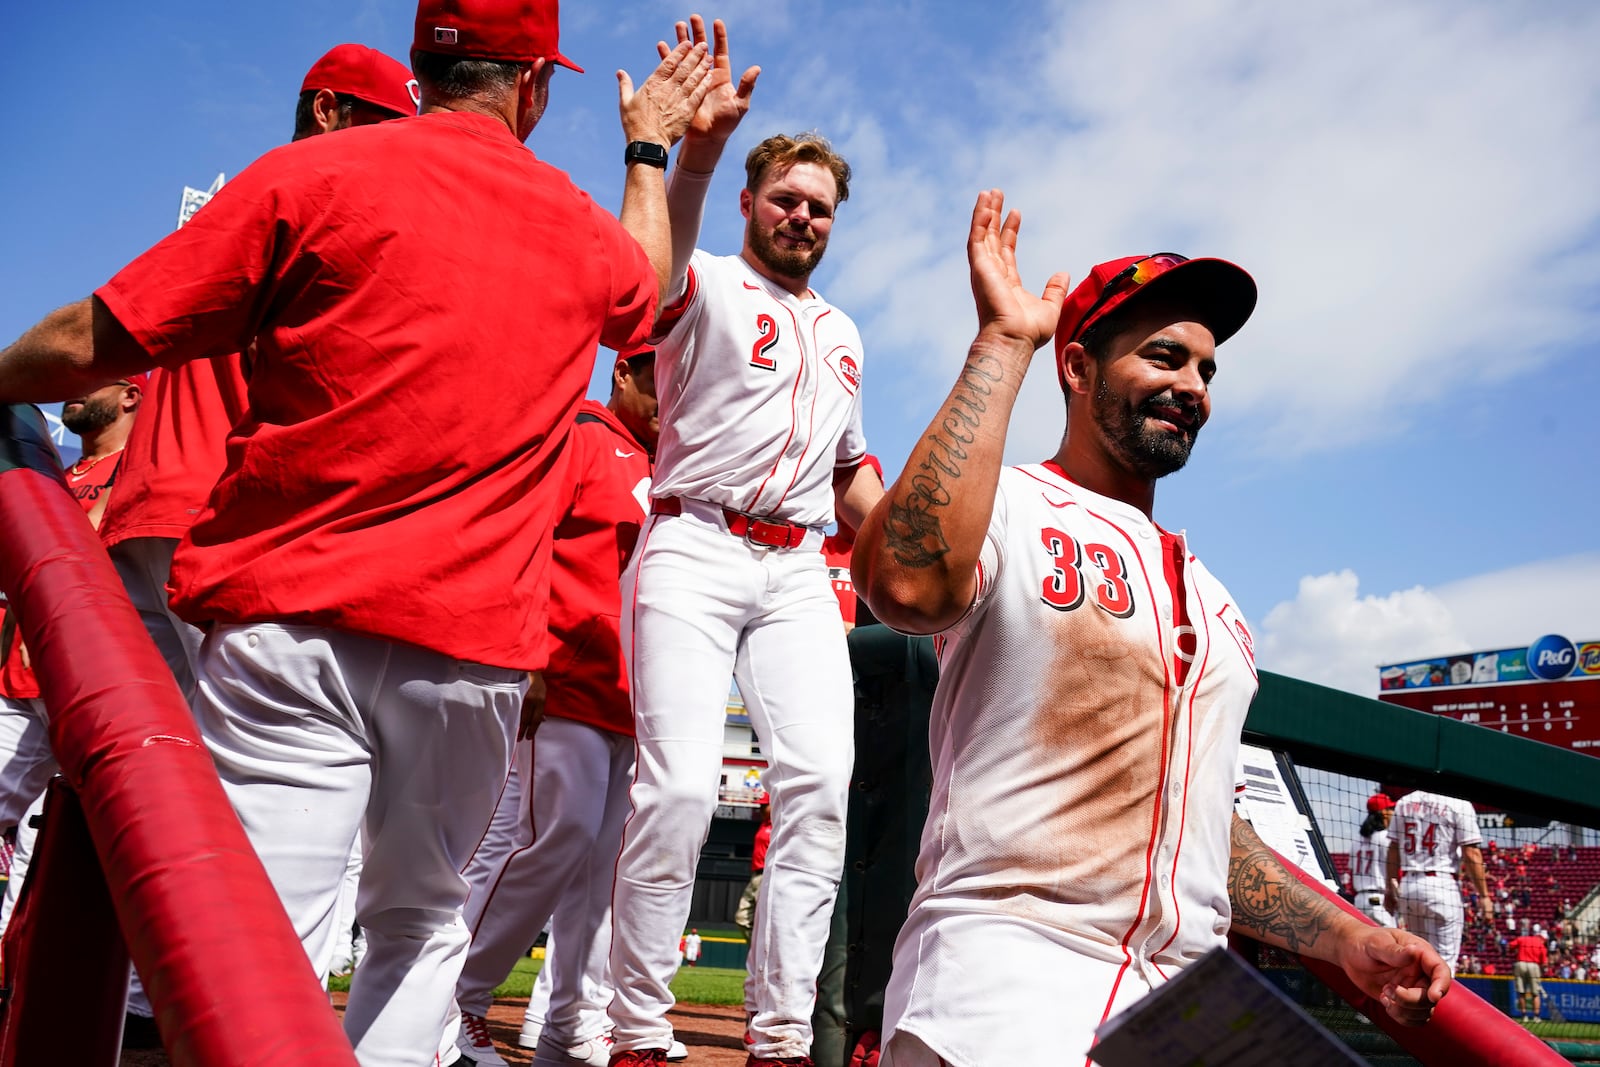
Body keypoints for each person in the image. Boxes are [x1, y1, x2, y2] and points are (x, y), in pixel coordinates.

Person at [0, 1, 714, 1059]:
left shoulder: (313, 174)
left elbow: (87, 342)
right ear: (534, 85)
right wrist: (648, 148)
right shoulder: (571, 220)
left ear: (423, 63)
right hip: (470, 650)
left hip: (292, 622)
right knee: (421, 926)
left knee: (252, 946)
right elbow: (646, 287)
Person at [851, 191, 1454, 1066]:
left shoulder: (1216, 603)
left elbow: (1214, 831)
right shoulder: (1010, 504)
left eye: (1207, 370)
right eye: (1165, 356)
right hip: (1010, 970)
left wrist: (1340, 938)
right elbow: (905, 584)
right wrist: (1004, 343)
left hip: (1185, 999)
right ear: (1079, 367)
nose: (1192, 387)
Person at [608, 18, 883, 1067]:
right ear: (750, 206)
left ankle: (777, 1039)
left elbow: (852, 469)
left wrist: (914, 537)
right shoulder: (709, 278)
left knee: (820, 782)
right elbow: (651, 270)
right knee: (678, 787)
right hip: (694, 538)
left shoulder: (847, 331)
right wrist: (701, 149)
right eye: (786, 199)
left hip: (801, 566)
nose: (803, 216)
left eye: (819, 206)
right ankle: (637, 1030)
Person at [98, 42, 418, 704]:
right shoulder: (315, 208)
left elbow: (119, 328)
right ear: (328, 110)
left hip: (145, 513)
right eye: (385, 126)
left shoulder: (244, 206)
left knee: (144, 768)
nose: (397, 152)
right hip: (211, 522)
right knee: (231, 774)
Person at [448, 350, 679, 1067]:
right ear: (625, 375)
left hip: (632, 696)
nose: (669, 396)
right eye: (658, 381)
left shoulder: (669, 463)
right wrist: (529, 658)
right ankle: (454, 998)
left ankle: (573, 1024)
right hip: (569, 679)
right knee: (553, 835)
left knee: (605, 873)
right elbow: (529, 542)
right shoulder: (580, 431)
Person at [1384, 788, 1493, 973]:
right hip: (1442, 885)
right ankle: (1437, 1002)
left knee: (1417, 963)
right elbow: (1471, 852)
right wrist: (1484, 896)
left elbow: (1393, 849)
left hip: (1409, 886)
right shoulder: (1459, 803)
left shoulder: (1404, 802)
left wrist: (1390, 887)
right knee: (1443, 968)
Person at [1350, 793, 1397, 926]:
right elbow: (1394, 869)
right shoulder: (1386, 838)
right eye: (1391, 809)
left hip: (1359, 901)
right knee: (1390, 942)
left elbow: (1351, 873)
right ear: (1383, 812)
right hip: (1380, 901)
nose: (1393, 812)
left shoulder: (1356, 841)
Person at [734, 797, 772, 939]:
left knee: (764, 920)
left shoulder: (780, 823)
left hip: (767, 875)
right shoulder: (764, 824)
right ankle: (757, 954)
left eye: (765, 806)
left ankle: (762, 956)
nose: (762, 809)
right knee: (742, 918)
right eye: (761, 807)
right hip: (756, 876)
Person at [1510, 929, 1548, 1020]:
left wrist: (1516, 952)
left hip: (1520, 964)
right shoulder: (1541, 945)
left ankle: (1524, 1016)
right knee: (1535, 993)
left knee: (1521, 992)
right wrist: (1543, 971)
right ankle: (1536, 1016)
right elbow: (1544, 963)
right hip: (1534, 966)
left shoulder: (1523, 939)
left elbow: (1511, 945)